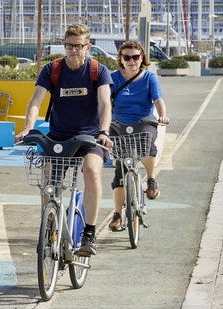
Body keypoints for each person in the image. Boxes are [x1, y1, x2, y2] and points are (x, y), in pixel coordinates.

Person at [15, 24, 113, 256]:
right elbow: (36, 101)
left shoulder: (98, 70)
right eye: (69, 45)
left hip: (90, 137)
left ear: (88, 47)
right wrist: (28, 128)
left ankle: (89, 233)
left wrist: (104, 131)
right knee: (48, 181)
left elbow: (105, 103)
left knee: (91, 171)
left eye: (79, 46)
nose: (73, 51)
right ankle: (49, 224)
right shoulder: (52, 69)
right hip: (59, 136)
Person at [108, 40, 169, 232]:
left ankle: (151, 178)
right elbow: (104, 102)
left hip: (144, 121)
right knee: (120, 171)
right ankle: (117, 214)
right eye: (127, 57)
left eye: (136, 57)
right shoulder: (113, 78)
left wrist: (162, 115)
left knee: (146, 144)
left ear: (142, 58)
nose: (132, 61)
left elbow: (158, 100)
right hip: (118, 124)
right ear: (121, 59)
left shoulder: (149, 78)